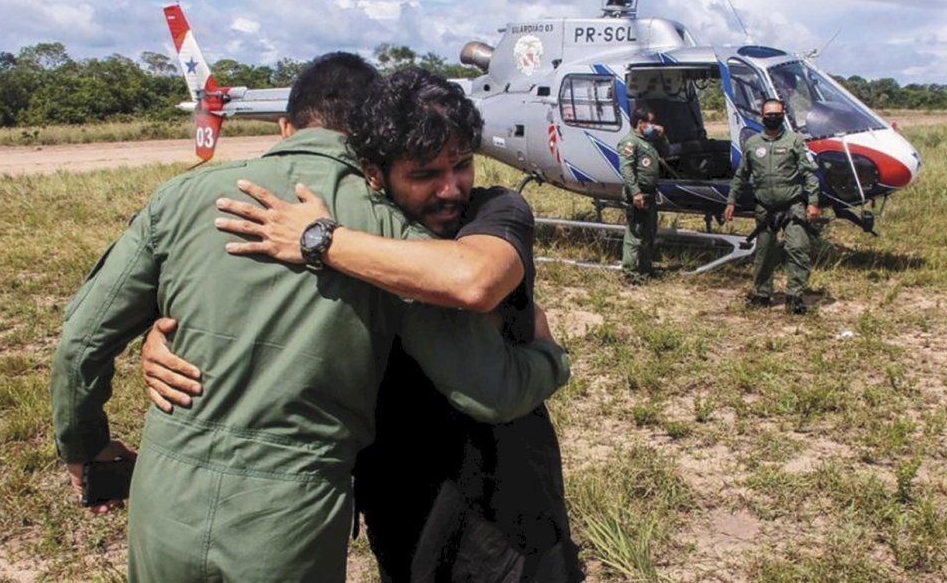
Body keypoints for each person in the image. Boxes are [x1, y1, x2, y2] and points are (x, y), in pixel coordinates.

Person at [50, 54, 570, 582]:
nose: (450, 186)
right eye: (426, 170)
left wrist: (87, 449)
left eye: (461, 165)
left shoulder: (184, 195)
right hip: (286, 519)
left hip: (163, 501)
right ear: (373, 154)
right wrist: (549, 356)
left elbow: (80, 342)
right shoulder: (383, 222)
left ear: (285, 125)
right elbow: (489, 389)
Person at [724, 98, 821, 314]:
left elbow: (809, 173)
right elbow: (741, 175)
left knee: (797, 248)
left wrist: (813, 202)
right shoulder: (753, 144)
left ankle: (795, 295)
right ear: (762, 116)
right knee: (764, 253)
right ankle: (762, 294)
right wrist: (731, 200)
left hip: (792, 205)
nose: (772, 118)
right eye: (769, 114)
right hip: (764, 208)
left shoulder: (794, 141)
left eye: (777, 114)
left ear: (783, 114)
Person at [617, 105, 663, 282]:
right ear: (641, 123)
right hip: (638, 195)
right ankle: (629, 272)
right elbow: (627, 169)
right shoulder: (630, 142)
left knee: (649, 232)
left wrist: (662, 136)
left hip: (650, 194)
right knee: (635, 234)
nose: (653, 126)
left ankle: (645, 268)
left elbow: (665, 152)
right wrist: (635, 192)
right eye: (650, 123)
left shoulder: (648, 141)